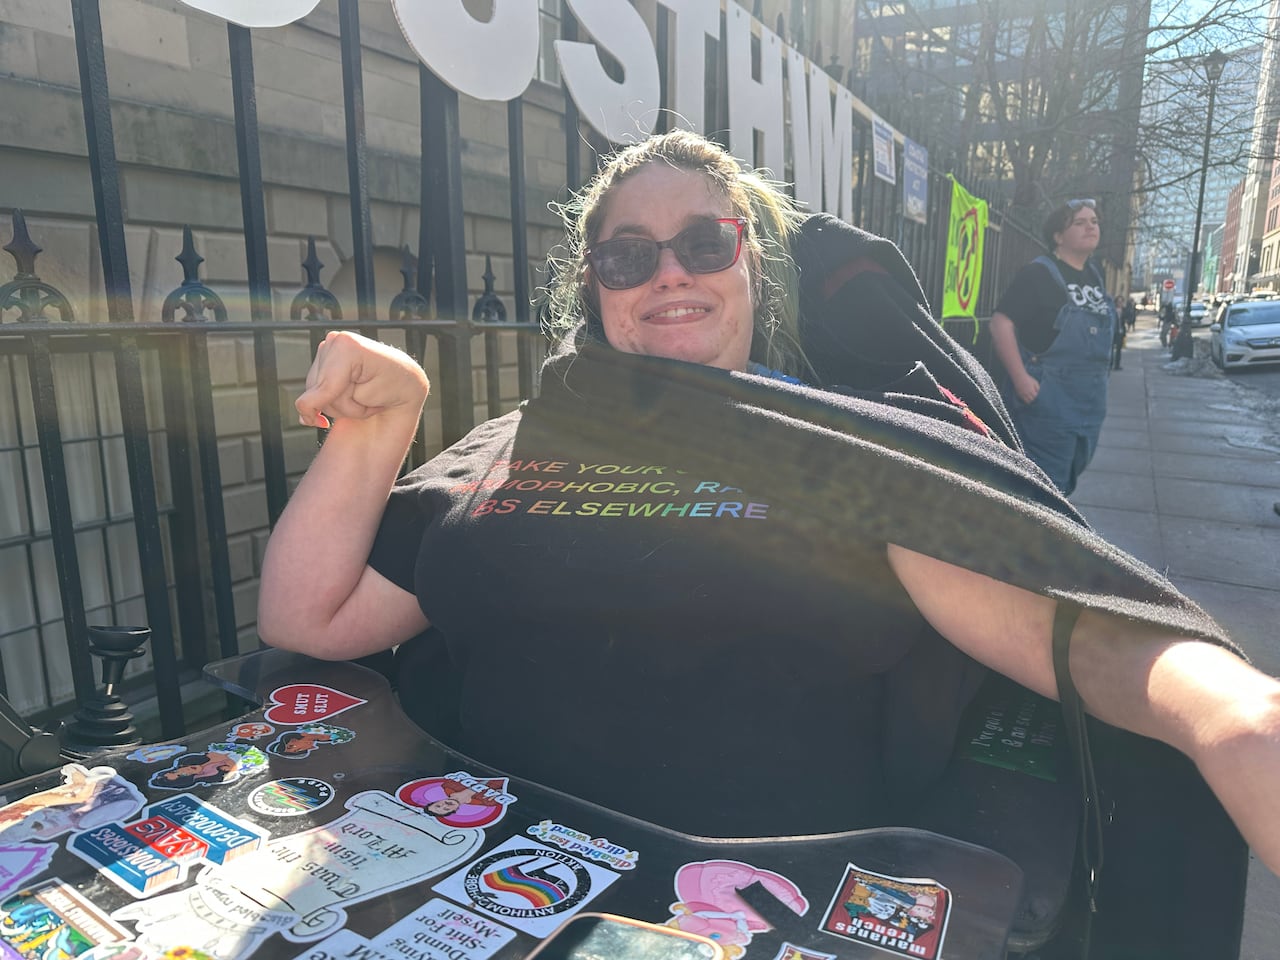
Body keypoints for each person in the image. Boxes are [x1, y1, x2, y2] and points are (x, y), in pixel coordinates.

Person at [257, 132, 1280, 886]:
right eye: (626, 255)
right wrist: (384, 419)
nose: (667, 273)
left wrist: (1227, 714)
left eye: (704, 242)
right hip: (485, 877)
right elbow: (313, 619)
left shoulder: (841, 446)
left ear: (750, 263)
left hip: (738, 902)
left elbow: (1069, 632)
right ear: (594, 286)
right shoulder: (517, 442)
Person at [990, 199, 1116, 495]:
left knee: (1066, 482)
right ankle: (1029, 539)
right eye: (1080, 222)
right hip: (1049, 403)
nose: (1090, 227)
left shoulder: (1094, 275)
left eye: (1094, 221)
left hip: (1090, 403)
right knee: (1042, 491)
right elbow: (1000, 323)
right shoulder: (1039, 274)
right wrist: (1021, 378)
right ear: (1058, 236)